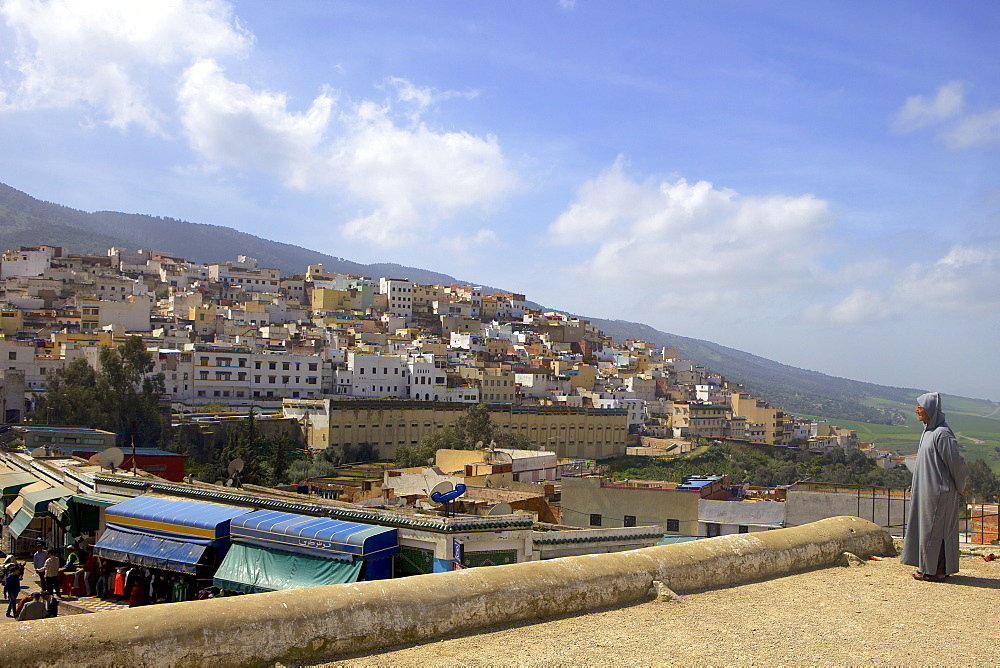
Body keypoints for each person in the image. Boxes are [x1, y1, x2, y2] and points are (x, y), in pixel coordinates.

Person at [900, 392, 970, 581]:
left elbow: (956, 463)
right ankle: (926, 567)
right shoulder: (928, 432)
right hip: (927, 493)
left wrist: (961, 484)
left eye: (920, 407)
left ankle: (937, 570)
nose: (917, 411)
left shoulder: (942, 434)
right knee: (926, 530)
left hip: (940, 493)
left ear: (930, 409)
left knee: (936, 532)